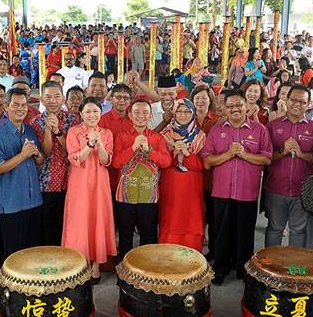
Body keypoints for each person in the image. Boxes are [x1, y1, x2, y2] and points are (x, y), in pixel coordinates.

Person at [202, 90, 272, 284]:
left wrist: (244, 154)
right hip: (221, 191)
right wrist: (228, 154)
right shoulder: (216, 131)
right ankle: (221, 267)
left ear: (246, 107)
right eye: (230, 106)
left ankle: (244, 268)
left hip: (247, 191)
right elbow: (207, 162)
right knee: (222, 231)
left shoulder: (259, 130)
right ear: (224, 109)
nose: (235, 109)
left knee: (245, 232)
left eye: (239, 105)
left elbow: (267, 158)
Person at [263, 85, 313, 248]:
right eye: (293, 100)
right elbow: (265, 157)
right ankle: (270, 263)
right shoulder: (273, 126)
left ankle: (294, 264)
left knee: (298, 231)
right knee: (274, 229)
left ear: (309, 104)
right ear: (286, 100)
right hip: (276, 188)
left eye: (302, 102)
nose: (297, 104)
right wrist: (283, 152)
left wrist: (301, 154)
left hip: (302, 190)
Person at [62, 97, 116, 281]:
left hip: (100, 183)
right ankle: (81, 263)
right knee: (80, 220)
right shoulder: (74, 132)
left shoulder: (106, 133)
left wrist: (99, 143)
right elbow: (75, 159)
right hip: (80, 183)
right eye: (87, 111)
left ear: (101, 113)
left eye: (95, 111)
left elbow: (106, 160)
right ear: (81, 114)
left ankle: (96, 265)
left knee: (98, 218)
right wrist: (90, 144)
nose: (92, 115)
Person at [112, 99, 172, 262]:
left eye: (145, 112)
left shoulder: (157, 138)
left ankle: (147, 269)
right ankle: (124, 270)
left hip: (149, 196)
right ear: (130, 115)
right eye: (136, 112)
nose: (141, 116)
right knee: (125, 236)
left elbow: (166, 162)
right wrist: (132, 148)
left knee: (149, 235)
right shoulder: (122, 137)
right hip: (125, 196)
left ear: (151, 116)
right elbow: (116, 162)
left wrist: (149, 150)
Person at [0, 87, 44, 256]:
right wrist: (23, 155)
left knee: (32, 250)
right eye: (16, 105)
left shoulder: (30, 130)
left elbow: (39, 161)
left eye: (24, 105)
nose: (21, 109)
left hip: (33, 200)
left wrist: (36, 154)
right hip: (12, 203)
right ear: (6, 107)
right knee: (14, 253)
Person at [31, 81, 77, 245]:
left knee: (66, 226)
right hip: (45, 183)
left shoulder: (73, 120)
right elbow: (46, 152)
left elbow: (72, 149)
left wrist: (57, 131)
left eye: (57, 96)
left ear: (63, 99)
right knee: (46, 227)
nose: (53, 101)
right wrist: (48, 130)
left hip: (68, 181)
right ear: (42, 99)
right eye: (48, 97)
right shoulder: (35, 122)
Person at [158, 99, 205, 251]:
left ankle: (191, 256)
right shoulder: (165, 135)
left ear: (193, 113)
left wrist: (187, 154)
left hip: (192, 185)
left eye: (187, 112)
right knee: (170, 216)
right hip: (170, 183)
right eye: (179, 111)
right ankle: (168, 255)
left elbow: (204, 165)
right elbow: (161, 163)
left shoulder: (200, 136)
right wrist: (174, 154)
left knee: (191, 217)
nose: (183, 115)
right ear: (174, 113)